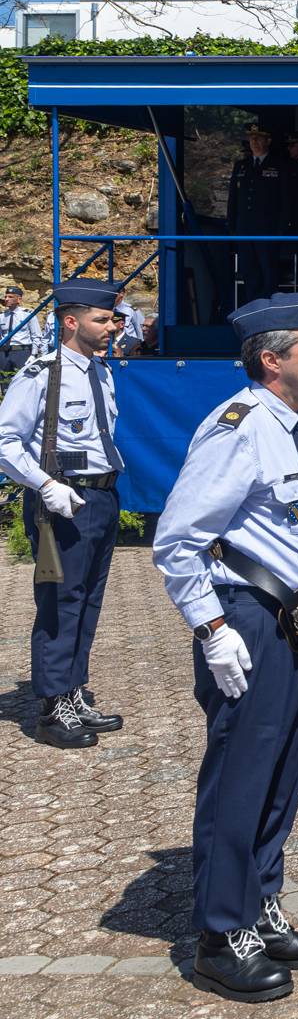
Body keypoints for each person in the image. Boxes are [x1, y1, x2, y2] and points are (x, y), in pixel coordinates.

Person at [150, 292, 298, 1004]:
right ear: (272, 359)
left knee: (282, 772)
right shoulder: (239, 427)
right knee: (240, 775)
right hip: (250, 622)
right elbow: (176, 539)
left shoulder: (294, 423)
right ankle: (218, 933)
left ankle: (259, 905)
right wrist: (212, 628)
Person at [0, 279, 128, 748]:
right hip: (62, 501)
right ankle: (52, 707)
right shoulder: (43, 372)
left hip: (101, 498)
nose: (112, 326)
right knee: (60, 602)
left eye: (113, 318)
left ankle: (73, 692)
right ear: (71, 322)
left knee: (88, 600)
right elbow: (5, 441)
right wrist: (45, 485)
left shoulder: (101, 371)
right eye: (102, 319)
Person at [228, 124, 292, 302]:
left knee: (268, 272)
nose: (254, 142)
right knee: (249, 272)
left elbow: (285, 200)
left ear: (268, 141)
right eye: (251, 138)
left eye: (259, 138)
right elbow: (234, 198)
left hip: (268, 229)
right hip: (245, 229)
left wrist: (280, 228)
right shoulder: (241, 166)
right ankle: (252, 309)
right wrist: (232, 224)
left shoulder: (279, 165)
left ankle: (269, 310)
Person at [2, 284, 38, 370]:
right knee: (4, 380)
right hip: (3, 353)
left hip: (22, 352)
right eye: (6, 296)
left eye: (10, 297)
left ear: (19, 299)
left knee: (22, 380)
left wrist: (33, 354)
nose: (6, 299)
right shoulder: (2, 316)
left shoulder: (28, 315)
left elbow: (36, 336)